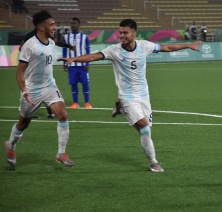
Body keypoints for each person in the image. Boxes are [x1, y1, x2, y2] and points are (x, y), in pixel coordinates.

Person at [58, 19, 202, 172]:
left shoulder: (144, 46)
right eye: (120, 32)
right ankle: (154, 162)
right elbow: (94, 56)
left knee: (148, 131)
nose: (122, 36)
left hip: (144, 95)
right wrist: (74, 59)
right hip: (127, 96)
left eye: (125, 33)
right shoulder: (114, 50)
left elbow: (166, 46)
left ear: (134, 33)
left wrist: (188, 45)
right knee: (145, 129)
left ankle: (119, 107)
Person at [4, 10, 74, 168]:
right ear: (41, 27)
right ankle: (11, 146)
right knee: (23, 123)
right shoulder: (31, 45)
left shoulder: (51, 42)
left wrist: (55, 84)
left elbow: (47, 66)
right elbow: (20, 71)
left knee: (63, 115)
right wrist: (24, 90)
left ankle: (61, 153)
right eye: (52, 24)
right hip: (32, 90)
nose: (55, 27)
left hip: (49, 86)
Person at [19, 27, 76, 118]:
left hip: (45, 73)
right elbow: (21, 48)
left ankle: (50, 112)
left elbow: (56, 42)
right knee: (30, 88)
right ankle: (28, 111)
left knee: (47, 89)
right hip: (32, 71)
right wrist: (30, 56)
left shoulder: (46, 37)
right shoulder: (30, 37)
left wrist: (68, 46)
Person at [62, 17, 92, 109]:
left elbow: (88, 50)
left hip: (82, 65)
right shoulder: (66, 37)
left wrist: (87, 63)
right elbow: (64, 50)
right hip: (72, 66)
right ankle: (75, 103)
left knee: (85, 84)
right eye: (71, 24)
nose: (73, 25)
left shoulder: (84, 37)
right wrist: (64, 63)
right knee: (73, 84)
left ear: (78, 25)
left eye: (74, 23)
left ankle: (87, 103)